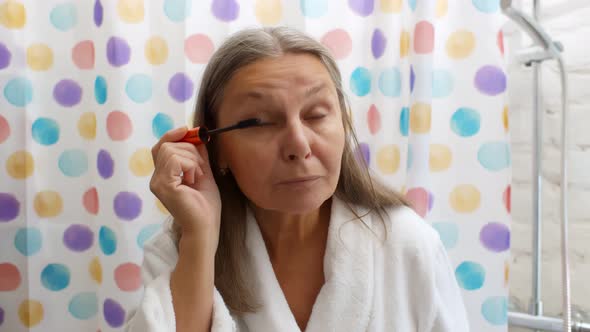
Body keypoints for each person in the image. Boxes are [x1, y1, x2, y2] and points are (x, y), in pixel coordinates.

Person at [124, 26, 469, 332]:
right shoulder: (179, 253)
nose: (299, 145)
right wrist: (199, 238)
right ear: (215, 146)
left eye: (317, 115)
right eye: (259, 122)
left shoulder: (407, 243)